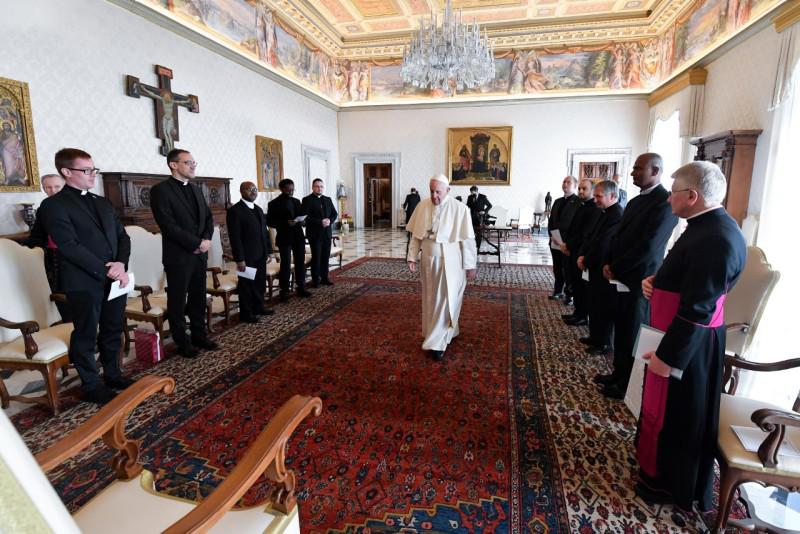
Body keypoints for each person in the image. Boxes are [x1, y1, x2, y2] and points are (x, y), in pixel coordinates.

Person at [635, 161, 746, 512]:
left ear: (692, 196)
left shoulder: (716, 238)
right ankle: (654, 469)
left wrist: (669, 358)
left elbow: (699, 309)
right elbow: (685, 276)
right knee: (662, 411)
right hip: (672, 332)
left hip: (686, 345)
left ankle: (669, 483)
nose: (669, 201)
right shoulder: (703, 226)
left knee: (678, 416)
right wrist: (656, 282)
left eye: (674, 194)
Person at [38, 149, 133, 404]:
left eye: (94, 170)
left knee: (113, 328)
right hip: (83, 282)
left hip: (115, 278)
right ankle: (91, 385)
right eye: (86, 170)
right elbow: (69, 246)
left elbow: (123, 237)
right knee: (86, 334)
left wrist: (121, 265)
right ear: (66, 172)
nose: (93, 175)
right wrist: (107, 269)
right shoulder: (53, 206)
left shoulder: (102, 202)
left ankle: (113, 374)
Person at [595, 153, 678, 399]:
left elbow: (648, 246)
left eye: (638, 169)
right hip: (620, 274)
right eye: (633, 168)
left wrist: (617, 266)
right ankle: (617, 372)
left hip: (639, 279)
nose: (632, 173)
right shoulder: (633, 201)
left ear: (655, 171)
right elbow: (618, 235)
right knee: (621, 327)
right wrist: (609, 261)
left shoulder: (664, 202)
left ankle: (626, 384)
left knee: (632, 332)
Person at [150, 148, 219, 358]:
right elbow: (167, 225)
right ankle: (182, 341)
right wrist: (196, 243)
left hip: (200, 254)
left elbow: (208, 218)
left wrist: (206, 240)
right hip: (179, 255)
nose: (193, 166)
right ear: (174, 165)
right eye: (188, 162)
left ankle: (199, 334)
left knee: (198, 296)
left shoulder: (197, 189)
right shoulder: (160, 190)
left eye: (194, 163)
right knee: (178, 300)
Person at [407, 175, 477, 361]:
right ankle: (446, 332)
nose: (434, 195)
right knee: (431, 299)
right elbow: (416, 236)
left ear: (448, 190)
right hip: (428, 259)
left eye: (438, 191)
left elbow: (468, 240)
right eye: (431, 191)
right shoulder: (422, 206)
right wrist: (412, 256)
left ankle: (437, 344)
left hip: (451, 259)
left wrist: (470, 265)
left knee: (446, 298)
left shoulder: (460, 209)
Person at [576, 181, 623, 355]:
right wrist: (582, 255)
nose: (595, 200)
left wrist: (586, 260)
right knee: (593, 303)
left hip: (601, 266)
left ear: (612, 196)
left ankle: (603, 343)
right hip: (592, 265)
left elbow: (603, 244)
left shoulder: (616, 214)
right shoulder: (603, 212)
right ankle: (595, 336)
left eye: (599, 196)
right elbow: (591, 237)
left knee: (603, 307)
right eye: (595, 196)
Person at [23, 174, 71, 321]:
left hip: (75, 254)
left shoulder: (74, 204)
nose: (53, 190)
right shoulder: (45, 207)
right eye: (48, 187)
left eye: (57, 186)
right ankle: (66, 321)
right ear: (44, 189)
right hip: (54, 256)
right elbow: (38, 234)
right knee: (58, 291)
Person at [226, 181, 274, 323]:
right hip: (246, 256)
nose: (253, 192)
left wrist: (269, 252)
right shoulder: (235, 211)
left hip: (260, 255)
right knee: (246, 285)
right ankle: (246, 314)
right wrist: (240, 259)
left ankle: (258, 307)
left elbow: (265, 234)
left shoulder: (258, 209)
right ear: (242, 191)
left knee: (259, 282)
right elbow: (235, 238)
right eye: (250, 189)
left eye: (255, 189)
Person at [561, 179, 600, 326]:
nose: (581, 191)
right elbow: (574, 228)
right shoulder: (581, 205)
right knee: (575, 283)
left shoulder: (594, 209)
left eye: (585, 189)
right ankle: (577, 313)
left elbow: (585, 233)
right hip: (572, 250)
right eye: (580, 189)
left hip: (580, 251)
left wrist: (570, 245)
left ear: (592, 190)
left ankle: (582, 315)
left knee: (581, 286)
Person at [267, 178, 310, 301]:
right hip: (284, 236)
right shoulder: (273, 204)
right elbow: (270, 222)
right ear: (282, 189)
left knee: (300, 262)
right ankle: (284, 291)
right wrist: (286, 223)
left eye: (293, 189)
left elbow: (302, 217)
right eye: (288, 189)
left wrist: (302, 222)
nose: (291, 191)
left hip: (298, 236)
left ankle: (301, 287)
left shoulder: (297, 201)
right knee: (285, 264)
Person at [548, 176, 580, 301]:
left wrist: (565, 241)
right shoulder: (557, 201)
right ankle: (557, 290)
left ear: (574, 186)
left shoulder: (578, 202)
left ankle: (569, 294)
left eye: (568, 182)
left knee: (568, 269)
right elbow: (551, 221)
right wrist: (552, 235)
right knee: (557, 267)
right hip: (555, 240)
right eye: (564, 182)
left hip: (568, 242)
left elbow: (576, 224)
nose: (565, 184)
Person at [302, 178, 338, 288]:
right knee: (317, 257)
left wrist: (329, 221)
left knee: (325, 257)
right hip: (315, 234)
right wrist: (320, 222)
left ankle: (325, 278)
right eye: (317, 186)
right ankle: (315, 280)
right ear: (313, 187)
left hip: (327, 233)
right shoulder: (307, 200)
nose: (319, 188)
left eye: (321, 186)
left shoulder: (327, 199)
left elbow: (334, 214)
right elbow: (305, 218)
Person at [466, 185, 492, 250]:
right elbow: (467, 206)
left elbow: (490, 205)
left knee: (479, 232)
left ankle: (478, 247)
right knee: (471, 232)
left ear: (476, 191)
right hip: (471, 217)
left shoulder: (483, 197)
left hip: (480, 218)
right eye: (471, 193)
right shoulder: (469, 197)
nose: (472, 194)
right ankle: (472, 246)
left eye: (473, 193)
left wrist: (484, 211)